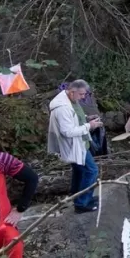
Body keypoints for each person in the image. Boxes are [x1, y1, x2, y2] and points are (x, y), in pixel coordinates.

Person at [48, 79, 103, 212]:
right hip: (74, 144)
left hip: (80, 142)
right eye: (81, 94)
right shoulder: (62, 108)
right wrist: (89, 126)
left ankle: (78, 196)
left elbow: (74, 116)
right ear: (72, 92)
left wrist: (86, 118)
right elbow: (67, 131)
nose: (83, 97)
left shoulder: (71, 100)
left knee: (79, 170)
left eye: (84, 94)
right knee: (92, 170)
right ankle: (81, 203)